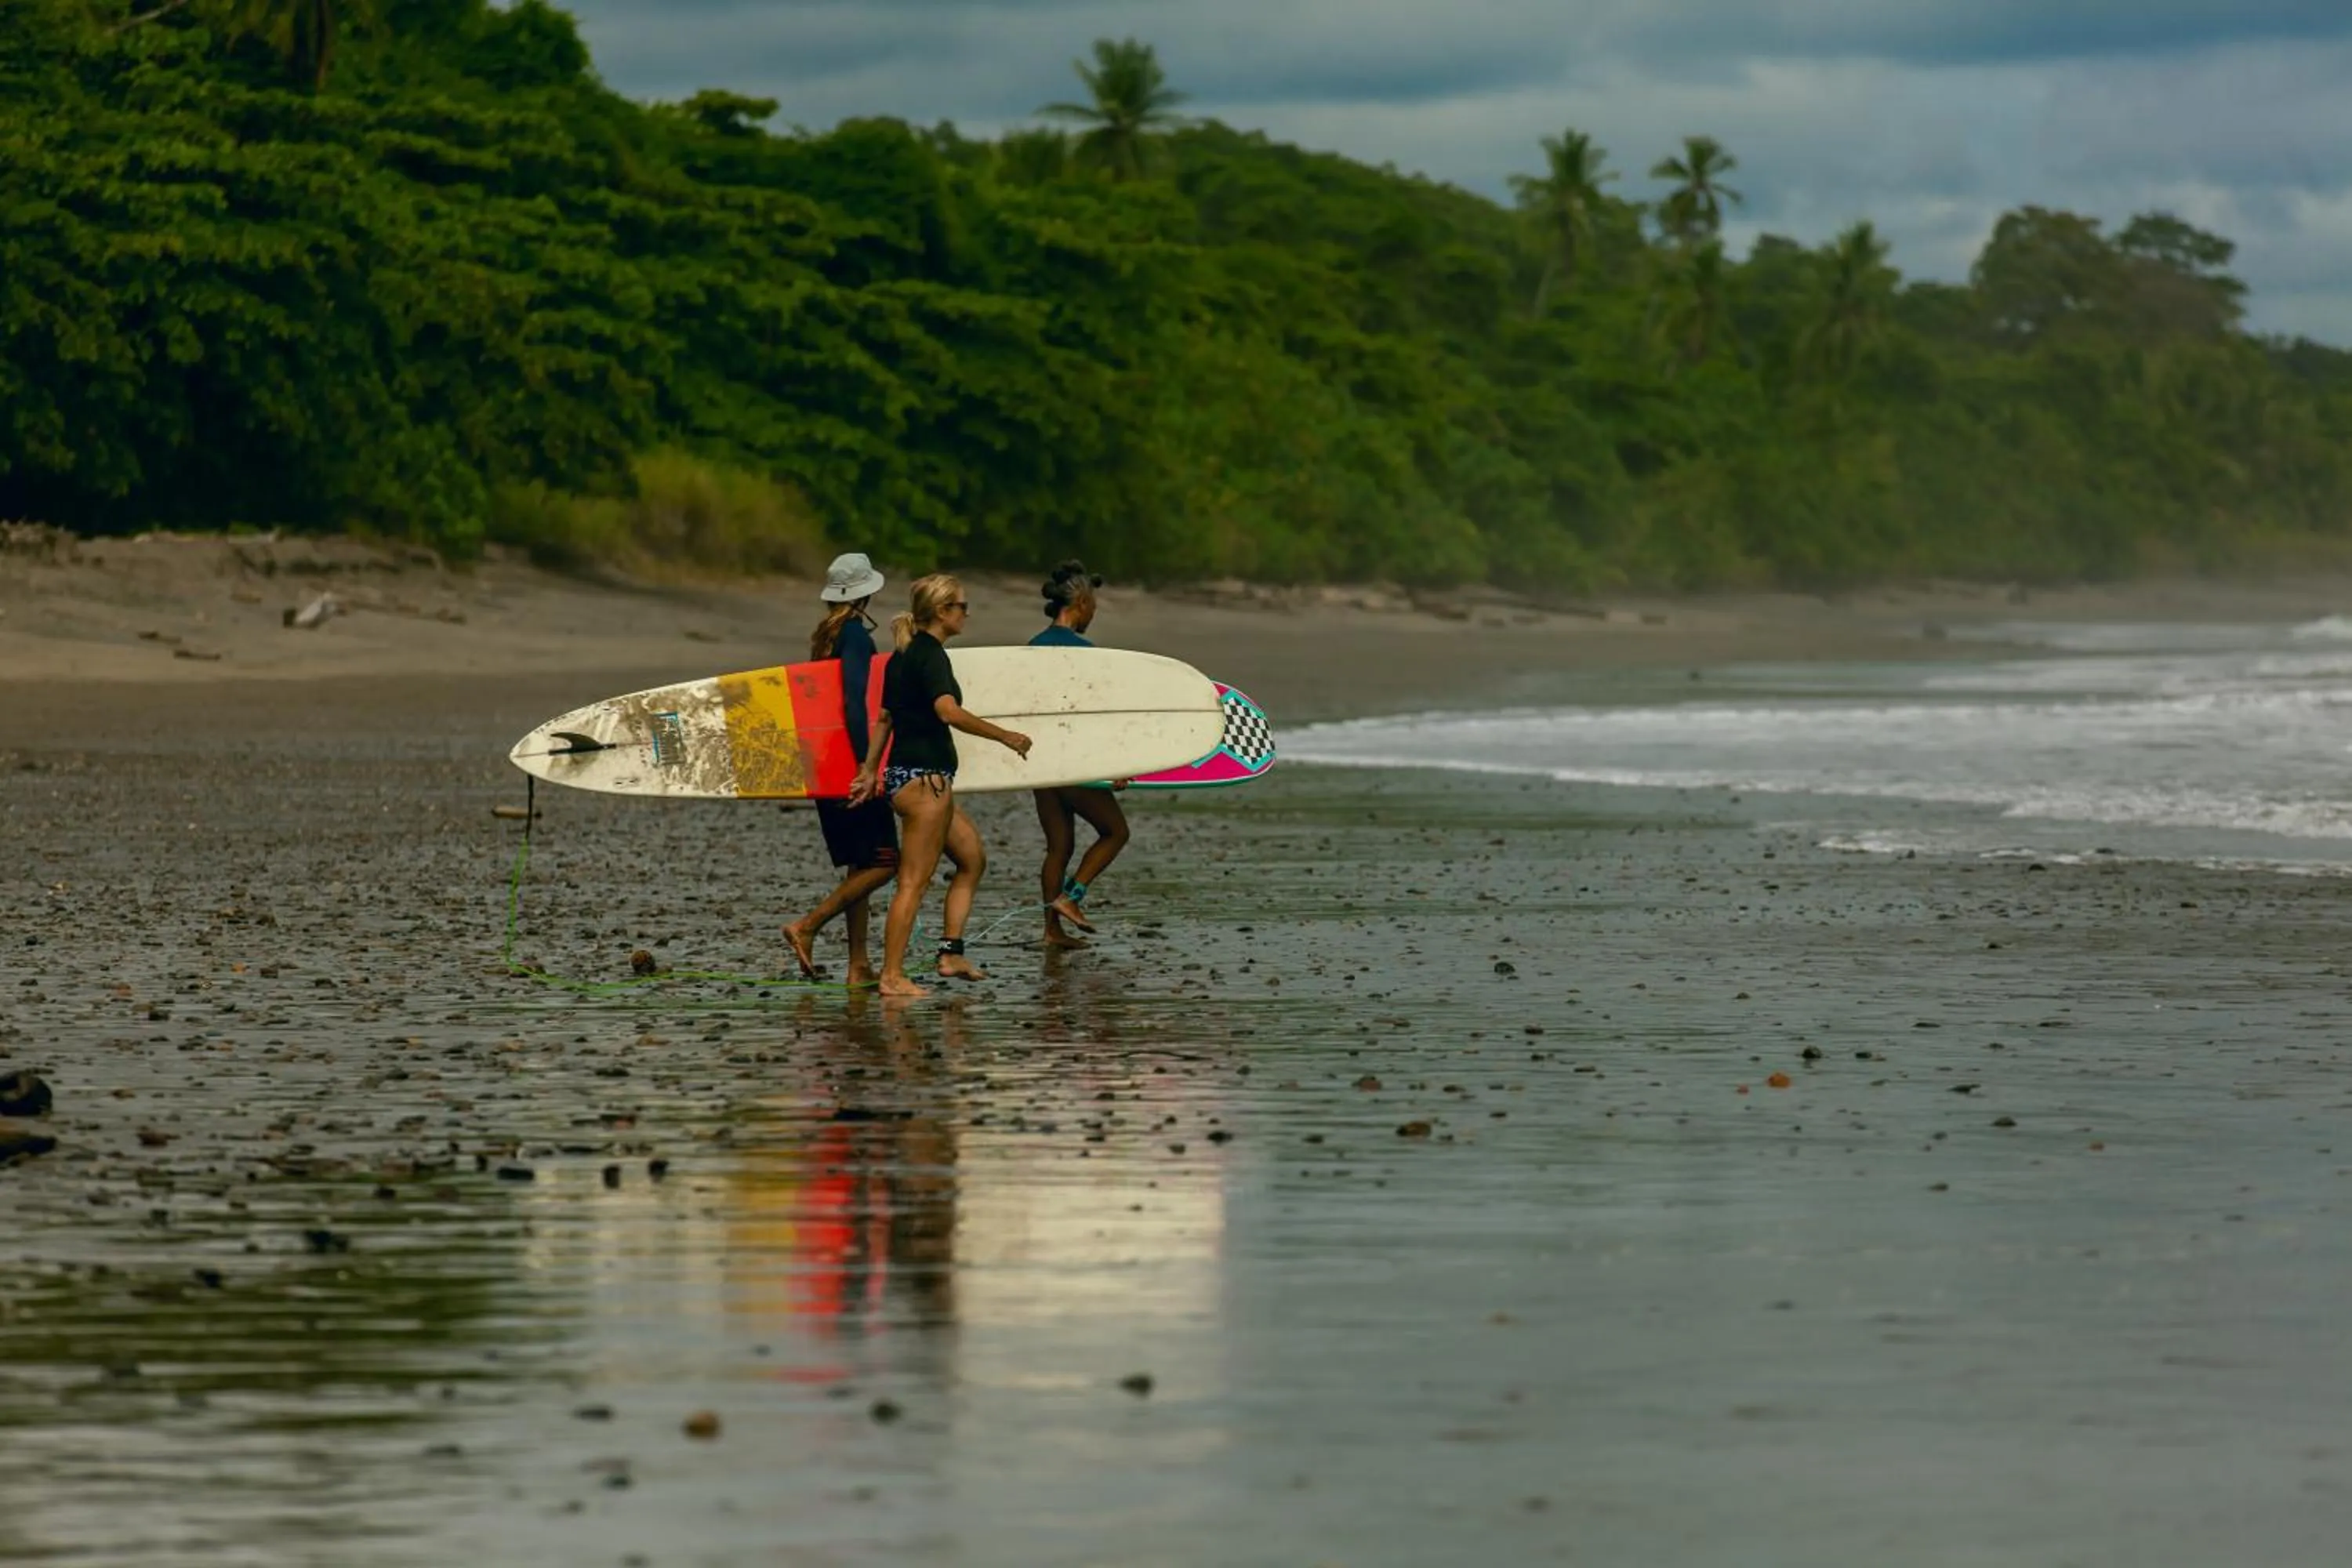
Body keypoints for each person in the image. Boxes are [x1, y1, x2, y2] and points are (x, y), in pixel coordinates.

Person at [850, 574, 1032, 998]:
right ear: (942, 612)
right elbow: (947, 712)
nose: (967, 614)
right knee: (914, 882)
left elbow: (885, 719)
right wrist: (1006, 736)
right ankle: (892, 977)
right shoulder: (930, 656)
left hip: (912, 779)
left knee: (971, 858)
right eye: (962, 607)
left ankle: (950, 953)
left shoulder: (903, 655)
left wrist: (869, 770)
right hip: (924, 783)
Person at [785, 553, 897, 987]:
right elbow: (852, 703)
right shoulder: (855, 638)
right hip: (847, 766)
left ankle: (858, 965)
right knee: (886, 862)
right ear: (865, 593)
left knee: (861, 865)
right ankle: (807, 926)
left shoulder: (824, 636)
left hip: (824, 765)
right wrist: (865, 765)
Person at [1027, 560, 1131, 947]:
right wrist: (1114, 767)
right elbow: (1090, 718)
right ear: (1082, 603)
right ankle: (1072, 897)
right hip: (1072, 762)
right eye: (1094, 606)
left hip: (1040, 764)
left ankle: (1051, 932)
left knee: (1059, 846)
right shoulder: (1085, 653)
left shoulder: (1032, 647)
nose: (1094, 614)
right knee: (1116, 832)